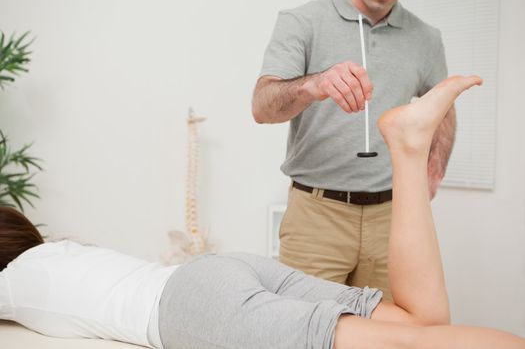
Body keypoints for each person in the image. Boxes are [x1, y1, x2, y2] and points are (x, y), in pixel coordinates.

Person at [1, 76, 524, 349]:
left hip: (190, 309)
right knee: (425, 323)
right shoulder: (55, 251)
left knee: (409, 344)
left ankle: (408, 147)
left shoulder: (16, 282)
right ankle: (408, 150)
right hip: (215, 275)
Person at [252, 0, 456, 300]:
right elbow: (262, 107)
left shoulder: (426, 38)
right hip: (316, 216)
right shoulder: (301, 21)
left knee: (387, 336)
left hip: (392, 218)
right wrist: (313, 84)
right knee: (306, 333)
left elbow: (443, 108)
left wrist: (433, 173)